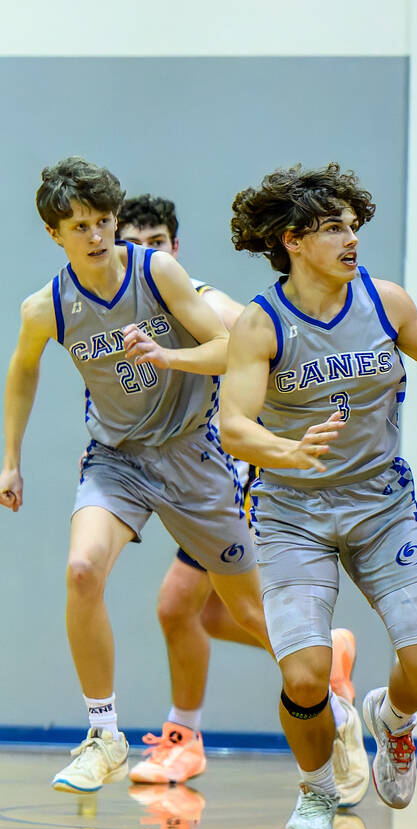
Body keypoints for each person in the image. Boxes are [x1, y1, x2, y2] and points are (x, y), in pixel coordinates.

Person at [220, 162, 417, 829]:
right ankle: (319, 790)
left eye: (353, 226)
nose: (351, 239)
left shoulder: (385, 301)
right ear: (292, 240)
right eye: (332, 229)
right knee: (304, 673)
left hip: (381, 503)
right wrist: (285, 451)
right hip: (292, 511)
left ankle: (395, 719)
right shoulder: (261, 324)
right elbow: (234, 422)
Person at [0, 157, 268, 794]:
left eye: (102, 221)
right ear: (53, 234)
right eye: (78, 226)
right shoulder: (46, 307)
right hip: (116, 458)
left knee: (254, 614)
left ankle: (333, 706)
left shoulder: (159, 272)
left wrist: (167, 353)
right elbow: (23, 371)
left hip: (192, 454)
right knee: (82, 569)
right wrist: (10, 457)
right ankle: (104, 734)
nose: (95, 236)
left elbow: (231, 349)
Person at [114, 194, 360, 788]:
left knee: (193, 607)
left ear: (174, 249)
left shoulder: (203, 300)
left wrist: (179, 362)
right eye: (134, 245)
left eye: (157, 244)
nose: (145, 254)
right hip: (180, 475)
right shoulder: (113, 311)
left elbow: (249, 350)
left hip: (225, 476)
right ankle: (326, 650)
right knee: (209, 615)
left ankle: (311, 697)